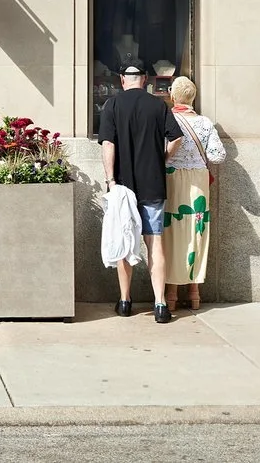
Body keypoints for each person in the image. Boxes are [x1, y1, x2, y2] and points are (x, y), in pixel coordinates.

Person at [96, 61, 181, 323]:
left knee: (124, 242)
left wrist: (110, 180)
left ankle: (124, 301)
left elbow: (108, 142)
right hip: (153, 184)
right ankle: (160, 304)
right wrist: (162, 158)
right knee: (154, 242)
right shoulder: (158, 105)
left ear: (122, 79)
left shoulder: (112, 105)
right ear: (144, 79)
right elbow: (176, 137)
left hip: (122, 187)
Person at [162, 75, 226, 311]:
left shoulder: (167, 120)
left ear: (172, 96)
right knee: (197, 231)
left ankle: (171, 294)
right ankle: (194, 292)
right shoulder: (206, 123)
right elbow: (218, 156)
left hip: (173, 178)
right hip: (198, 181)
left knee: (172, 232)